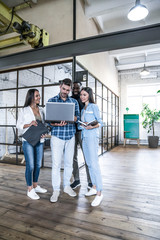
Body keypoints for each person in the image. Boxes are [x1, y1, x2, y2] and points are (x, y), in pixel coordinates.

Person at [48, 78, 80, 203]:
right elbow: (49, 121)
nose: (65, 91)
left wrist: (71, 117)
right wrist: (56, 123)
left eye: (68, 90)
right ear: (60, 87)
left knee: (68, 163)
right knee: (56, 164)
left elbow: (77, 118)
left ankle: (67, 186)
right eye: (63, 89)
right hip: (57, 136)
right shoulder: (52, 101)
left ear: (70, 89)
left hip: (70, 136)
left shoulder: (74, 102)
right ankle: (56, 189)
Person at [16, 89, 47, 200]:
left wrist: (44, 133)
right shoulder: (24, 110)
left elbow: (43, 124)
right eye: (37, 96)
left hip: (39, 140)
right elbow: (18, 125)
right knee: (31, 165)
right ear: (31, 97)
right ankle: (30, 189)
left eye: (39, 96)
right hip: (28, 141)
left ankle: (35, 185)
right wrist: (29, 124)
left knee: (38, 165)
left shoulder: (42, 110)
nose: (39, 97)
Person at [79, 87, 103, 207]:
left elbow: (100, 122)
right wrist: (81, 125)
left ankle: (99, 193)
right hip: (85, 138)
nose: (82, 97)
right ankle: (93, 187)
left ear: (89, 95)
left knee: (94, 164)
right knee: (88, 163)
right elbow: (82, 125)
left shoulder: (94, 106)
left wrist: (91, 127)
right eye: (81, 95)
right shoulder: (83, 109)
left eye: (84, 95)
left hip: (92, 137)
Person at [70, 82, 92, 189]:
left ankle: (90, 181)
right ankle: (77, 180)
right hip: (72, 132)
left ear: (80, 88)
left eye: (77, 87)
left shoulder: (83, 100)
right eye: (73, 87)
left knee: (86, 156)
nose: (75, 89)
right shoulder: (69, 100)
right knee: (73, 157)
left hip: (83, 132)